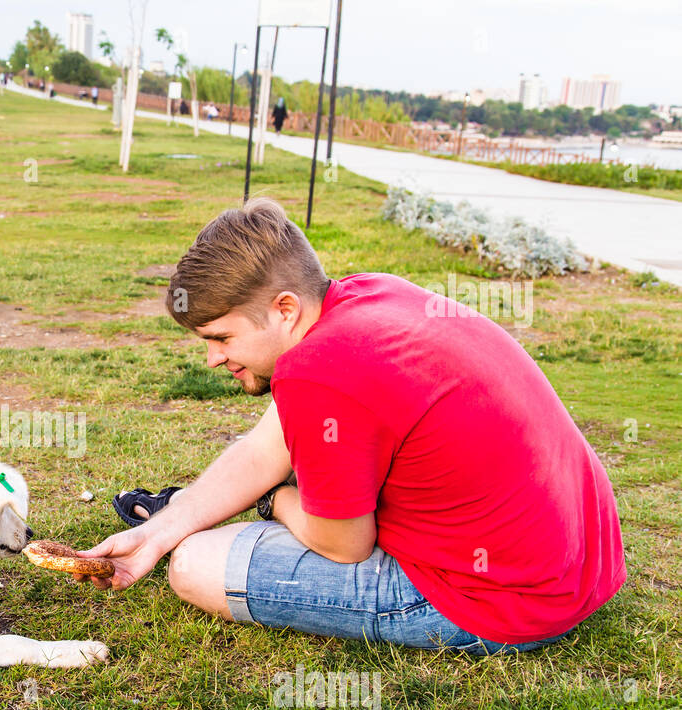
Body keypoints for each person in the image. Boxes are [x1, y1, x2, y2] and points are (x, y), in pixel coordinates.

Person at [78, 198, 626, 655]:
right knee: (198, 532)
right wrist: (155, 533)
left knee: (196, 564)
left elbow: (345, 546)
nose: (213, 360)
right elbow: (264, 449)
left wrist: (276, 501)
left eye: (221, 338)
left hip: (499, 602)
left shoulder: (319, 372)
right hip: (579, 567)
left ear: (285, 309)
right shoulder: (367, 294)